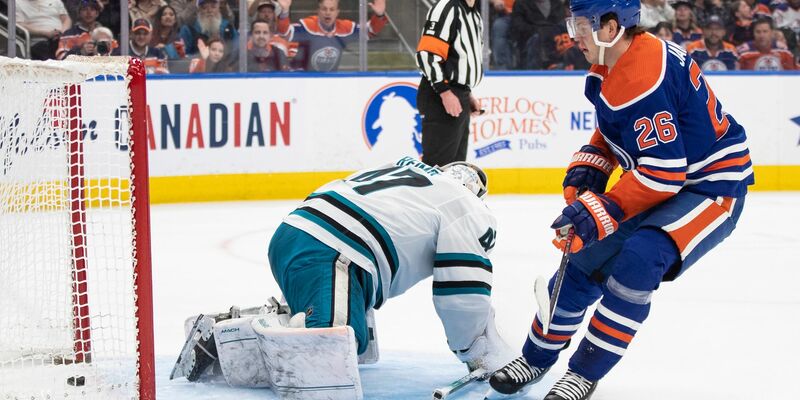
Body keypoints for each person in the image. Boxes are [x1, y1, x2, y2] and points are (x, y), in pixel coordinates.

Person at [487, 0, 754, 399]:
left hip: (710, 187)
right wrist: (596, 158)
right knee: (583, 260)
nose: (573, 33)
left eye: (581, 24)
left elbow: (665, 172)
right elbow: (622, 128)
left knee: (640, 259)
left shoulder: (642, 76)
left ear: (610, 27)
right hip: (666, 178)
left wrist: (602, 210)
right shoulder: (620, 58)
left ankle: (583, 373)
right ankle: (536, 358)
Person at [170, 157, 515, 399]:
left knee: (352, 343)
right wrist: (474, 350)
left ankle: (278, 319)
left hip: (296, 233)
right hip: (332, 252)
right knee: (331, 349)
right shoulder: (466, 205)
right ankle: (226, 336)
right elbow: (461, 291)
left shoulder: (407, 166)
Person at [416, 0, 484, 168]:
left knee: (455, 168)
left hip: (458, 94)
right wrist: (445, 92)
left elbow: (461, 60)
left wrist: (467, 93)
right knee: (438, 168)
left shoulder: (474, 14)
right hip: (440, 96)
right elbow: (427, 55)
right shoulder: (446, 8)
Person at [274, 0, 388, 72]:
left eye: (332, 9)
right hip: (304, 82)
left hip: (330, 82)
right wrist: (284, 12)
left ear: (337, 12)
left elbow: (369, 32)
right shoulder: (307, 26)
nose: (328, 12)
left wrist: (379, 15)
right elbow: (284, 33)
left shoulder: (344, 28)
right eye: (324, 9)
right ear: (318, 11)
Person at [510, 0, 567, 70]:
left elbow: (562, 25)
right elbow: (518, 26)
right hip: (530, 44)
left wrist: (549, 32)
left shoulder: (557, 4)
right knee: (536, 40)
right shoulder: (520, 4)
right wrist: (540, 31)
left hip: (556, 44)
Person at [490, 0, 515, 69]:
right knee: (499, 26)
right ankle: (502, 71)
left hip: (528, 12)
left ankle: (536, 73)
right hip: (504, 15)